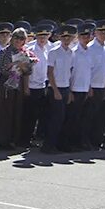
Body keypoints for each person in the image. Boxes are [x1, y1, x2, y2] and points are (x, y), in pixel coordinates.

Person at [0, 27, 31, 149]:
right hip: (5, 84)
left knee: (14, 112)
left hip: (17, 84)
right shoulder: (4, 52)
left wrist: (24, 67)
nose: (18, 40)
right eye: (16, 37)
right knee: (0, 112)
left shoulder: (25, 53)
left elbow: (28, 71)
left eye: (21, 38)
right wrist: (12, 66)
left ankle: (8, 140)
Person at [43, 24, 75, 153]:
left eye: (69, 37)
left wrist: (70, 91)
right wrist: (55, 90)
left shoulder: (71, 53)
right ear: (59, 38)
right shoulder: (54, 52)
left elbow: (70, 72)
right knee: (56, 119)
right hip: (55, 89)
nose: (66, 39)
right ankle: (48, 145)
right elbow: (49, 72)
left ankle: (61, 144)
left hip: (66, 88)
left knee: (64, 118)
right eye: (64, 37)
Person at [88, 19, 105, 148]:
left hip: (102, 86)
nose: (103, 34)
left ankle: (96, 140)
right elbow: (87, 70)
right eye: (100, 31)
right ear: (95, 33)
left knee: (99, 116)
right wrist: (89, 87)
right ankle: (87, 141)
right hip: (92, 86)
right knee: (89, 116)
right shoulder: (91, 48)